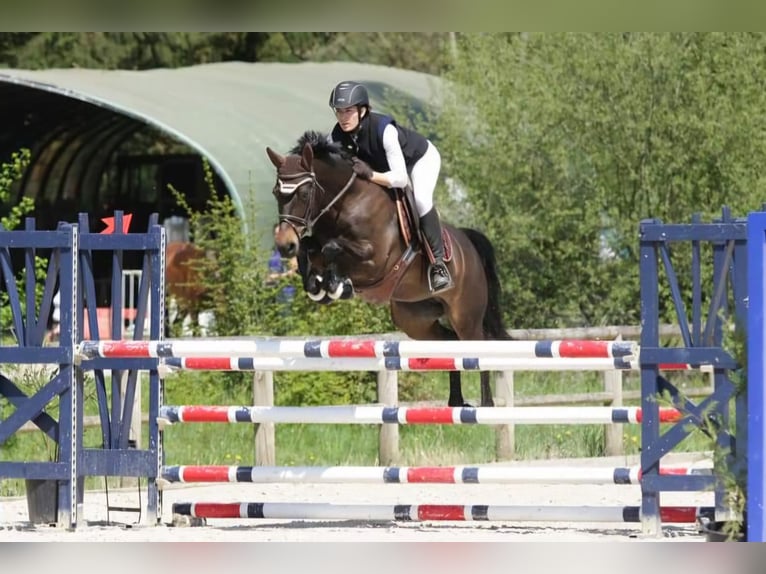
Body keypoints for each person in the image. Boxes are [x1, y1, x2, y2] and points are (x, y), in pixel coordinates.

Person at [328, 80, 453, 294]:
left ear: (363, 110)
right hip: (386, 170)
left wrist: (371, 174)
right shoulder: (337, 136)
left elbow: (401, 179)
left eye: (348, 111)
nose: (342, 117)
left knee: (421, 200)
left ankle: (438, 265)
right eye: (338, 111)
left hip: (419, 160)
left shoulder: (384, 130)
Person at [267, 224, 298, 306]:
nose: (278, 236)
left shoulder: (289, 251)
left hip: (290, 293)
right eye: (276, 234)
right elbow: (269, 276)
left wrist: (278, 276)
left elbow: (294, 272)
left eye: (280, 233)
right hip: (278, 295)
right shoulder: (273, 252)